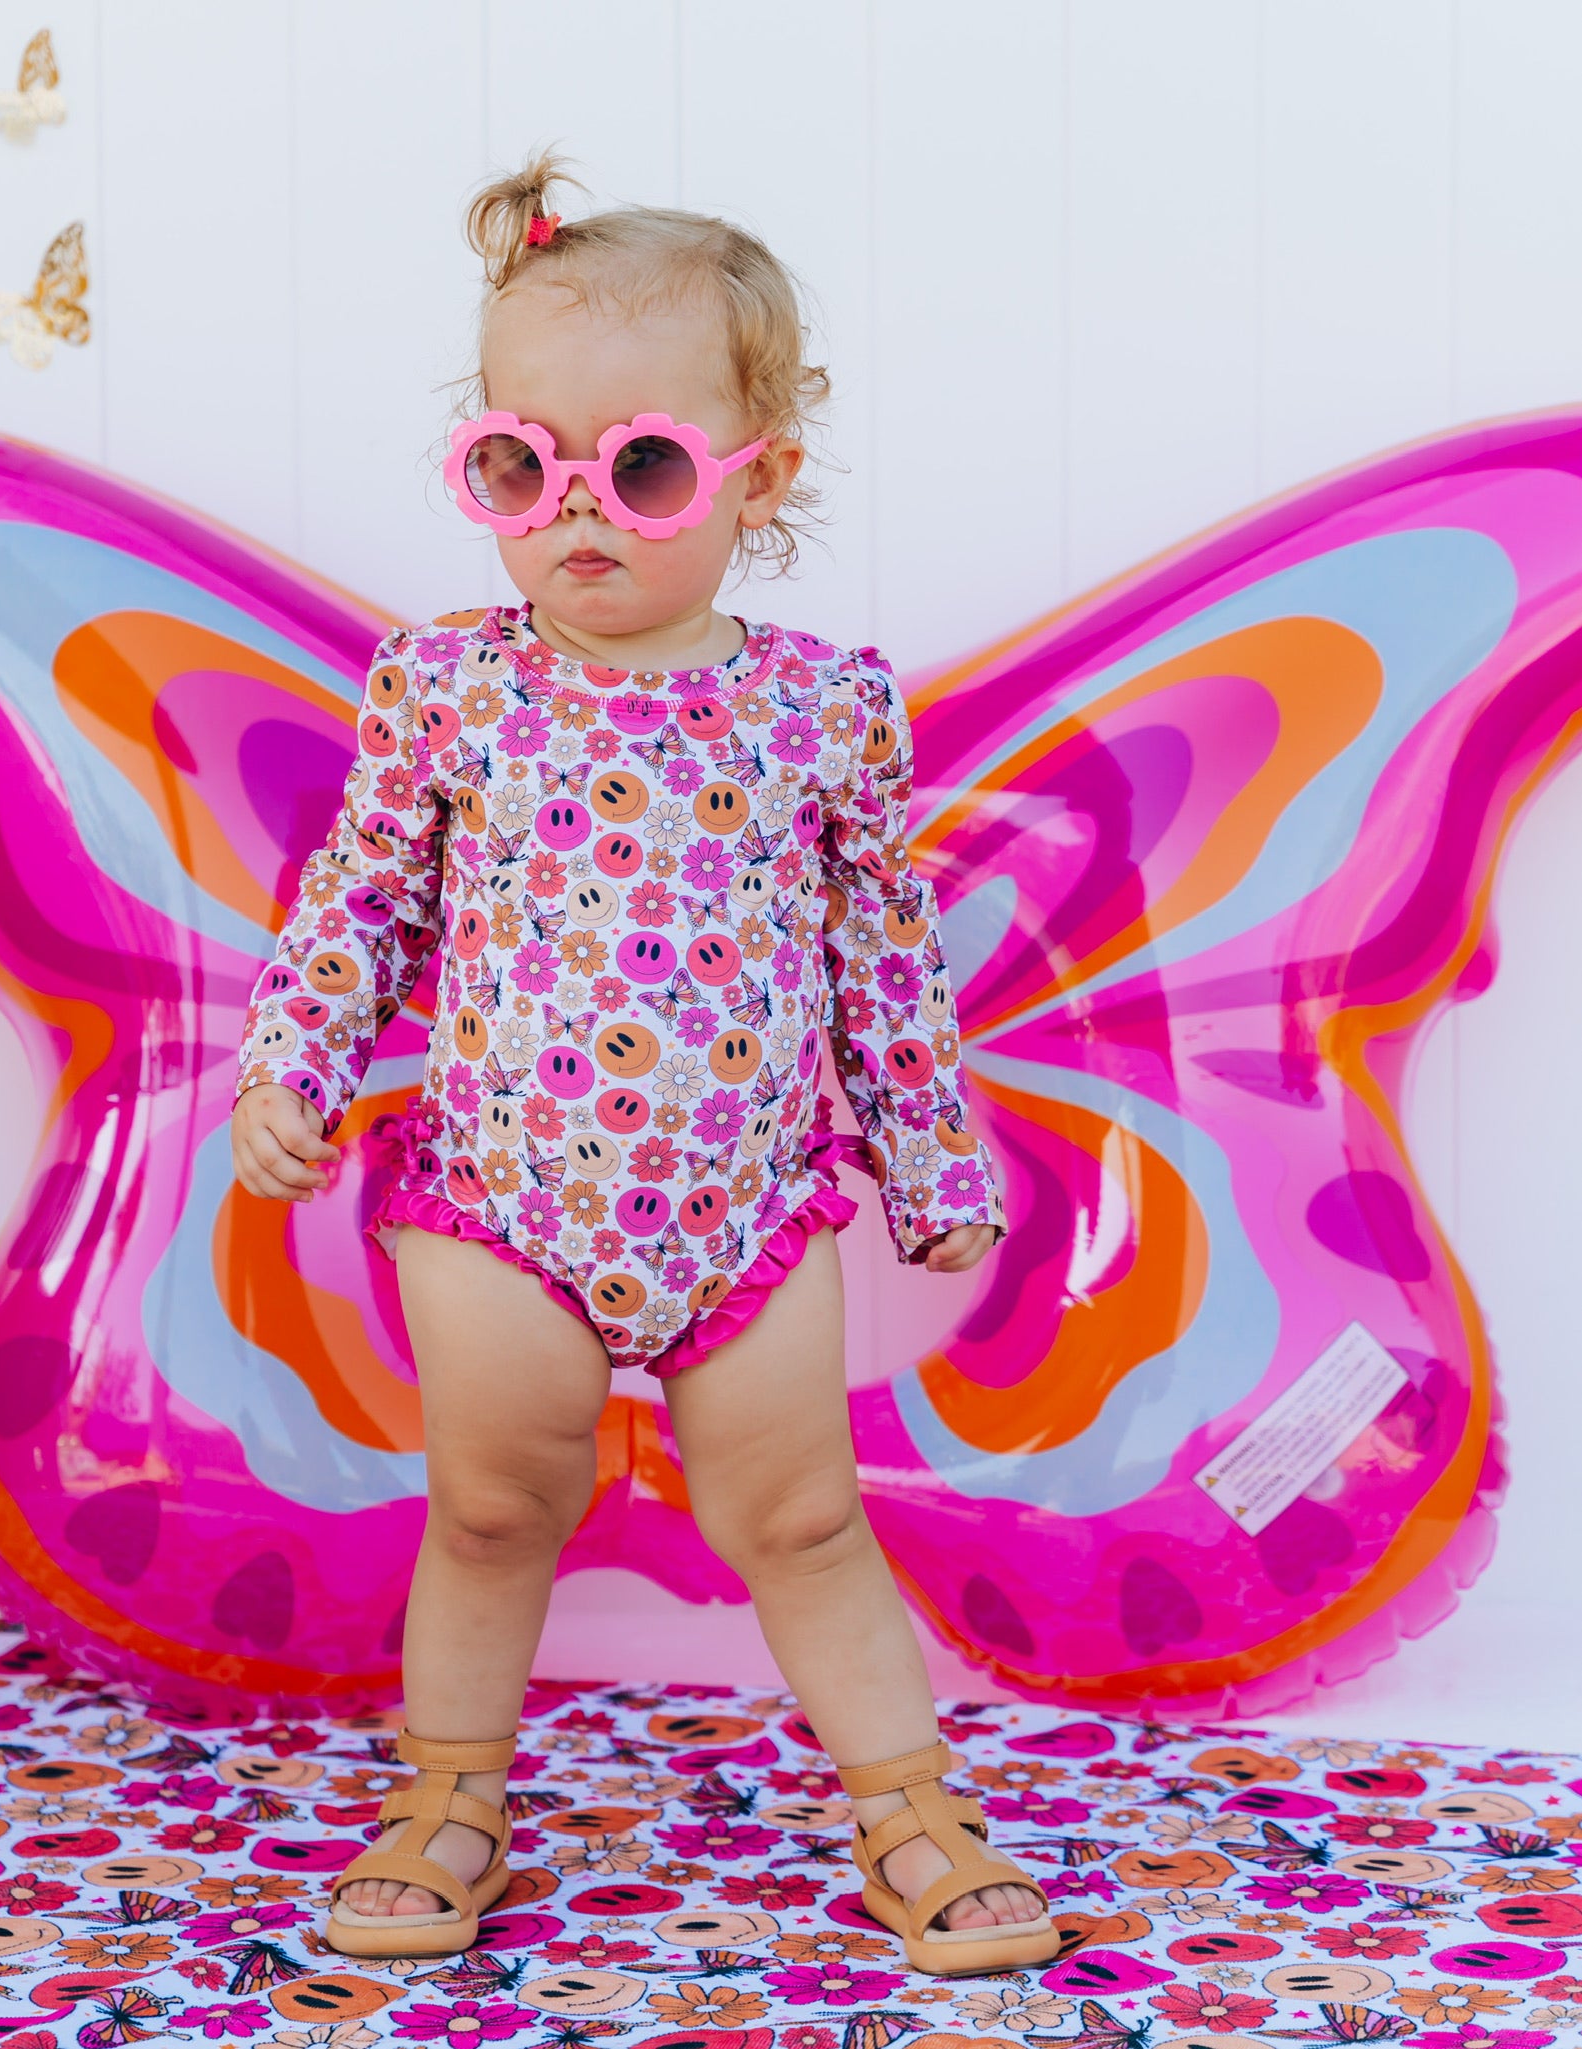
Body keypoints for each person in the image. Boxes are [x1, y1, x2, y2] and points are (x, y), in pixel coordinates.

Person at [229, 152, 1055, 1977]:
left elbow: (876, 954)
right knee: (489, 1508)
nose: (574, 515)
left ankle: (911, 1806)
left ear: (760, 473)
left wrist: (926, 1158)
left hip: (741, 1209)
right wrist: (293, 1065)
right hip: (499, 1198)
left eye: (645, 469)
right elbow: (362, 897)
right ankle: (446, 1796)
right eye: (517, 468)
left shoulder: (822, 703)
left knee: (805, 1517)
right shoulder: (446, 685)